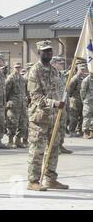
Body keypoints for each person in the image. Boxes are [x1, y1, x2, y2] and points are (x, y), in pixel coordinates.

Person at [27, 40, 68, 191]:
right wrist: (54, 103)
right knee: (37, 150)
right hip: (39, 117)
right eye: (45, 51)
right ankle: (33, 181)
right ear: (39, 52)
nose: (48, 53)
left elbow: (58, 90)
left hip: (53, 117)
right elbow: (35, 96)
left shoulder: (53, 70)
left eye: (50, 51)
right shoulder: (34, 71)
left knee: (54, 148)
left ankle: (50, 178)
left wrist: (60, 104)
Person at [5, 62, 28, 149]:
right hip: (13, 104)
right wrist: (7, 102)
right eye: (16, 67)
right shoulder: (10, 78)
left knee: (23, 122)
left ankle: (18, 140)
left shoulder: (22, 79)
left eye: (19, 67)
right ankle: (10, 141)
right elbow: (6, 91)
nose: (18, 69)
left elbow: (24, 91)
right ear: (13, 68)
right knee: (12, 123)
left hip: (22, 104)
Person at [67, 63, 87, 137]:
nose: (83, 71)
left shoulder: (83, 78)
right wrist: (71, 98)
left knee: (82, 116)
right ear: (77, 70)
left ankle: (79, 130)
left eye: (84, 69)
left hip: (82, 100)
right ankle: (71, 131)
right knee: (74, 117)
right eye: (81, 69)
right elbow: (69, 90)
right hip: (75, 100)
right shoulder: (74, 78)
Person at [80, 67, 93, 139]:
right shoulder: (86, 80)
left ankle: (91, 131)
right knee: (87, 116)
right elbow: (82, 92)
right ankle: (85, 132)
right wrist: (84, 100)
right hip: (88, 101)